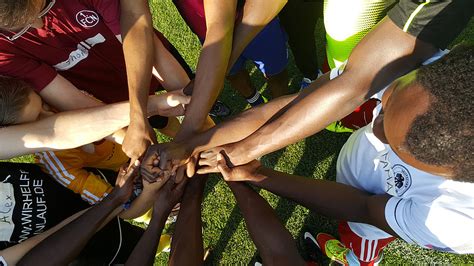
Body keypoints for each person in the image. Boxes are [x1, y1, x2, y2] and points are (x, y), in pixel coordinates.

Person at [205, 44, 473, 264]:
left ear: (448, 172)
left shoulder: (454, 221)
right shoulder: (440, 70)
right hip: (360, 184)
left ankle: (352, 259)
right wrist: (201, 141)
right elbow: (311, 99)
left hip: (369, 226)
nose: (375, 125)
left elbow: (363, 207)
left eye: (395, 143)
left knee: (361, 248)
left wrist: (259, 175)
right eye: (390, 102)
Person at [0, 0, 193, 161]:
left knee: (188, 97)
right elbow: (73, 100)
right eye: (21, 28)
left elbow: (140, 36)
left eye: (41, 9)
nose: (38, 25)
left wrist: (196, 115)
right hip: (109, 97)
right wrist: (136, 138)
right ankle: (172, 129)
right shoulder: (3, 50)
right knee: (160, 118)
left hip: (150, 60)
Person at [0, 77, 189, 220]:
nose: (51, 116)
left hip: (138, 155)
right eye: (37, 122)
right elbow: (119, 208)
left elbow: (126, 123)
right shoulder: (55, 162)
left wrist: (152, 151)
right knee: (147, 204)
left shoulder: (71, 100)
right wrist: (149, 194)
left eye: (44, 104)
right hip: (126, 174)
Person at [0, 162, 144, 265]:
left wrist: (116, 199)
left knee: (144, 187)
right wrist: (116, 202)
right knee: (137, 244)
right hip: (79, 240)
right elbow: (43, 242)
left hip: (74, 184)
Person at [173, 0, 289, 107]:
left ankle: (280, 106)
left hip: (253, 14)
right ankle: (257, 103)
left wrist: (213, 76)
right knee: (234, 75)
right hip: (204, 28)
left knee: (276, 72)